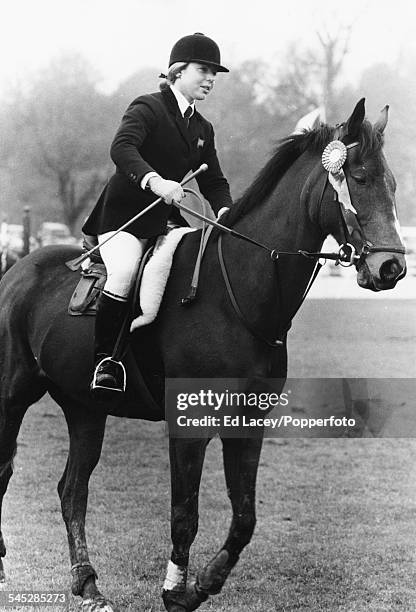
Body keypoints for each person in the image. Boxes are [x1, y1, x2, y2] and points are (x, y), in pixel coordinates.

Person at [82, 32, 233, 395]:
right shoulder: (147, 107)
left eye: (215, 72)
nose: (211, 78)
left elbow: (214, 180)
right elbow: (122, 148)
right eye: (204, 70)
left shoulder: (202, 128)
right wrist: (154, 180)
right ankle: (107, 362)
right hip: (124, 219)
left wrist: (227, 209)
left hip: (165, 221)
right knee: (126, 271)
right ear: (178, 71)